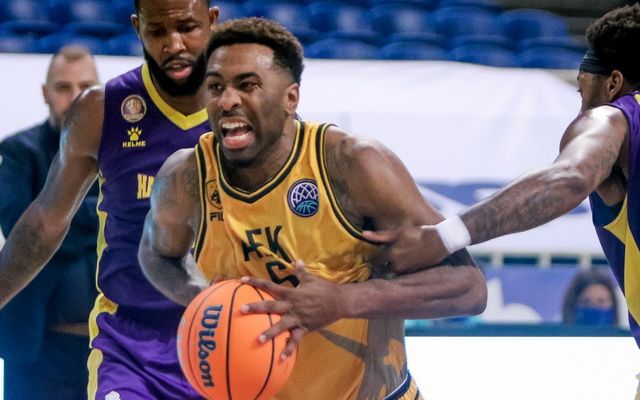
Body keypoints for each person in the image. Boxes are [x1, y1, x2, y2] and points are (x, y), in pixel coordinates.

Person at [138, 18, 487, 399]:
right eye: (215, 87)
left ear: (290, 99)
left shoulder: (352, 164)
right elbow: (156, 254)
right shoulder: (186, 177)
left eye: (247, 85)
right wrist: (202, 298)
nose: (227, 101)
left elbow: (468, 287)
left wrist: (344, 301)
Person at [363, 4, 640, 348]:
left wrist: (443, 237)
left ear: (613, 84)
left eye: (583, 93)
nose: (582, 110)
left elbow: (570, 178)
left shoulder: (613, 119)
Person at [0, 0, 219, 398]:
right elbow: (45, 222)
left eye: (187, 28)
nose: (174, 44)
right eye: (157, 31)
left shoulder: (242, 108)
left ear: (212, 21)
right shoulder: (101, 110)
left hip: (221, 334)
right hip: (129, 344)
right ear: (137, 28)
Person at [0, 46, 99, 400]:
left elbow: (134, 226)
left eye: (86, 87)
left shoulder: (119, 154)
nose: (75, 98)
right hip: (36, 350)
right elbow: (19, 228)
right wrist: (98, 214)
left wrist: (52, 214)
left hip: (107, 346)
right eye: (63, 87)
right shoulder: (17, 151)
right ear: (45, 93)